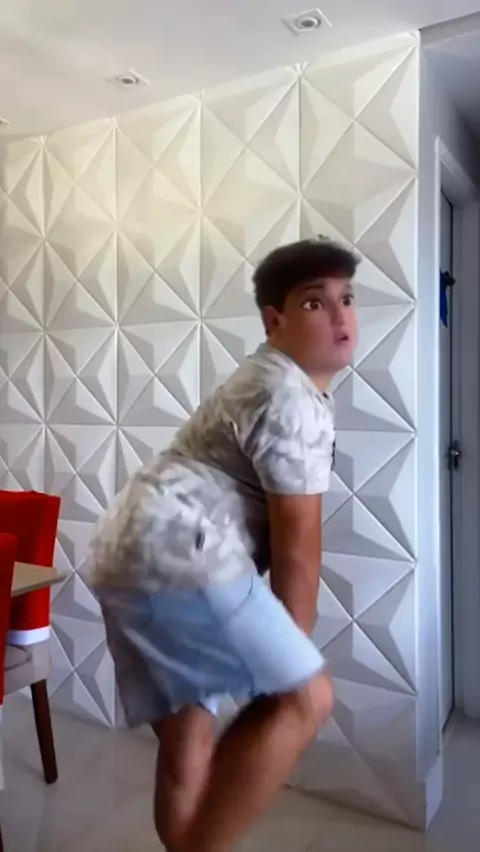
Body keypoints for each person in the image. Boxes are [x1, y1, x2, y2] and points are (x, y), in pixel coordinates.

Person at [89, 237, 359, 852]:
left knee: (189, 741)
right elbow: (298, 548)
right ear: (275, 320)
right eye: (314, 303)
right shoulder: (290, 395)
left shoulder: (270, 379)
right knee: (306, 697)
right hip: (178, 551)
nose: (339, 316)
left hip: (124, 549)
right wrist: (290, 664)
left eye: (346, 299)